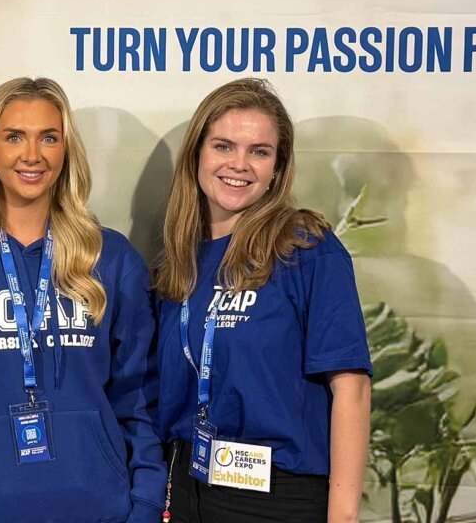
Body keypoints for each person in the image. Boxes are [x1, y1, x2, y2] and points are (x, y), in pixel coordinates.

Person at [0, 77, 165, 523]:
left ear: (66, 149)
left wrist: (145, 504)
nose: (32, 155)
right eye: (14, 137)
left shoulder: (112, 258)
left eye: (49, 137)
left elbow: (140, 397)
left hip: (105, 510)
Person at [152, 78, 372, 523]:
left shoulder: (306, 249)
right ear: (197, 153)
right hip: (185, 489)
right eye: (223, 146)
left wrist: (343, 517)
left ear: (278, 167)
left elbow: (352, 388)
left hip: (277, 498)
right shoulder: (176, 263)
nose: (240, 164)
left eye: (259, 151)